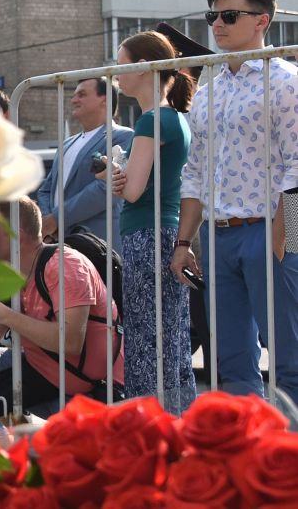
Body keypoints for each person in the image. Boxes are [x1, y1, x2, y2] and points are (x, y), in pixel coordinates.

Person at [171, 0, 298, 404]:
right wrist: (185, 241)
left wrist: (290, 242)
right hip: (218, 234)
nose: (217, 24)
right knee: (230, 359)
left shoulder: (287, 80)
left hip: (272, 229)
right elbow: (196, 171)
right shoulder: (207, 93)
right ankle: (247, 453)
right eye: (212, 16)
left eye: (229, 15)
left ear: (262, 20)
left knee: (288, 356)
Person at [106, 30, 196, 413]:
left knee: (146, 339)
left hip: (146, 232)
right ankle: (180, 422)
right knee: (170, 336)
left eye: (121, 66)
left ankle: (152, 426)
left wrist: (118, 179)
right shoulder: (174, 117)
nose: (115, 75)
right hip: (167, 230)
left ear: (144, 68)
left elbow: (134, 191)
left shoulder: (151, 120)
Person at [0, 197, 125, 414]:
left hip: (91, 387)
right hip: (44, 372)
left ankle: (32, 434)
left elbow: (71, 342)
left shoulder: (65, 265)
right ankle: (7, 437)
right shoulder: (11, 273)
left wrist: (5, 315)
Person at [35, 78, 134, 252]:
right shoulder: (66, 144)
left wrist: (58, 218)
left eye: (82, 95)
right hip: (59, 244)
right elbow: (46, 189)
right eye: (74, 96)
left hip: (97, 246)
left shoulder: (123, 137)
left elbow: (110, 187)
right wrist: (48, 220)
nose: (74, 100)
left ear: (104, 100)